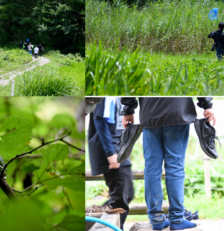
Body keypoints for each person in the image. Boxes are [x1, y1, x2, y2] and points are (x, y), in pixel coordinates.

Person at [120, 97, 215, 231]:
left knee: (152, 168)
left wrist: (128, 109)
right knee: (175, 167)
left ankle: (156, 219)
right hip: (178, 110)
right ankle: (177, 219)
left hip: (150, 113)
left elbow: (129, 82)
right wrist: (207, 105)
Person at [88, 97, 134, 230]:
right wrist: (110, 153)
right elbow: (99, 121)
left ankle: (95, 217)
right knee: (119, 203)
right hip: (112, 152)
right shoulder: (103, 96)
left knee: (127, 195)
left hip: (120, 150)